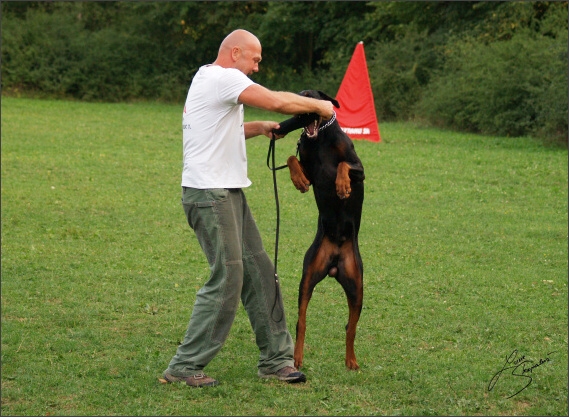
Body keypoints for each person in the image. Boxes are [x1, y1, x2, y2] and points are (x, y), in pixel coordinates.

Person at [162, 29, 334, 387]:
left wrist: (257, 128)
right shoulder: (224, 78)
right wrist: (319, 106)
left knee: (259, 270)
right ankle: (184, 367)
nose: (256, 67)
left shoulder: (206, 78)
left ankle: (276, 359)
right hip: (209, 193)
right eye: (254, 59)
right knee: (229, 276)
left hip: (226, 190)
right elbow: (276, 101)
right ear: (235, 52)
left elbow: (214, 130)